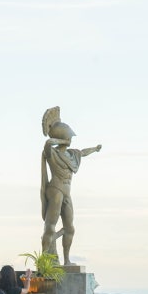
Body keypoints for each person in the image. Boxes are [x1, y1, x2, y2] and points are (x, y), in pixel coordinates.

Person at [40, 106, 101, 265]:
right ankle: (46, 260)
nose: (71, 139)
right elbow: (48, 142)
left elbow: (83, 152)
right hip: (55, 190)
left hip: (67, 192)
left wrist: (95, 149)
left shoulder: (72, 154)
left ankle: (66, 260)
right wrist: (61, 140)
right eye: (68, 137)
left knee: (70, 228)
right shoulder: (52, 153)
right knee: (50, 226)